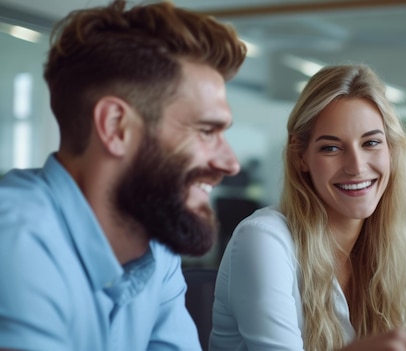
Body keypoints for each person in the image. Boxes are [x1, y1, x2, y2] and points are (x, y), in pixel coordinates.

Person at [0, 1, 246, 350]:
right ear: (116, 127)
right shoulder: (15, 241)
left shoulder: (155, 244)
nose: (230, 163)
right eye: (207, 131)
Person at [210, 64, 406, 351]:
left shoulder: (387, 243)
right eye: (331, 148)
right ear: (301, 157)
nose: (356, 167)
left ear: (391, 151)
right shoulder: (263, 240)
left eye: (371, 143)